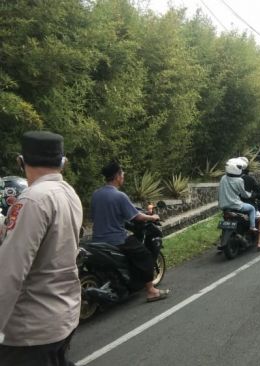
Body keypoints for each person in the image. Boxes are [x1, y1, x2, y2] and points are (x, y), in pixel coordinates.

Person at [0, 131, 83, 366]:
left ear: (20, 161)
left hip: (30, 329)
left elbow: (10, 273)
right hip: (62, 315)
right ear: (63, 162)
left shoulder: (31, 200)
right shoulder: (68, 193)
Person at [91, 161, 170, 302]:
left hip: (97, 240)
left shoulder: (96, 195)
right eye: (122, 173)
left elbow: (95, 216)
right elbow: (137, 216)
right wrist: (152, 217)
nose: (123, 176)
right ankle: (151, 291)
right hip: (117, 240)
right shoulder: (119, 196)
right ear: (117, 176)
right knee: (145, 255)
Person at [218, 159, 260, 249]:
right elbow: (244, 194)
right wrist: (252, 195)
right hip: (236, 205)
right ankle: (253, 228)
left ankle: (224, 239)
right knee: (251, 209)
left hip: (223, 205)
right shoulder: (239, 180)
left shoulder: (223, 178)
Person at [237, 157, 260, 248]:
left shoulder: (229, 178)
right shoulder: (248, 179)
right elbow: (258, 190)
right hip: (245, 204)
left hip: (231, 205)